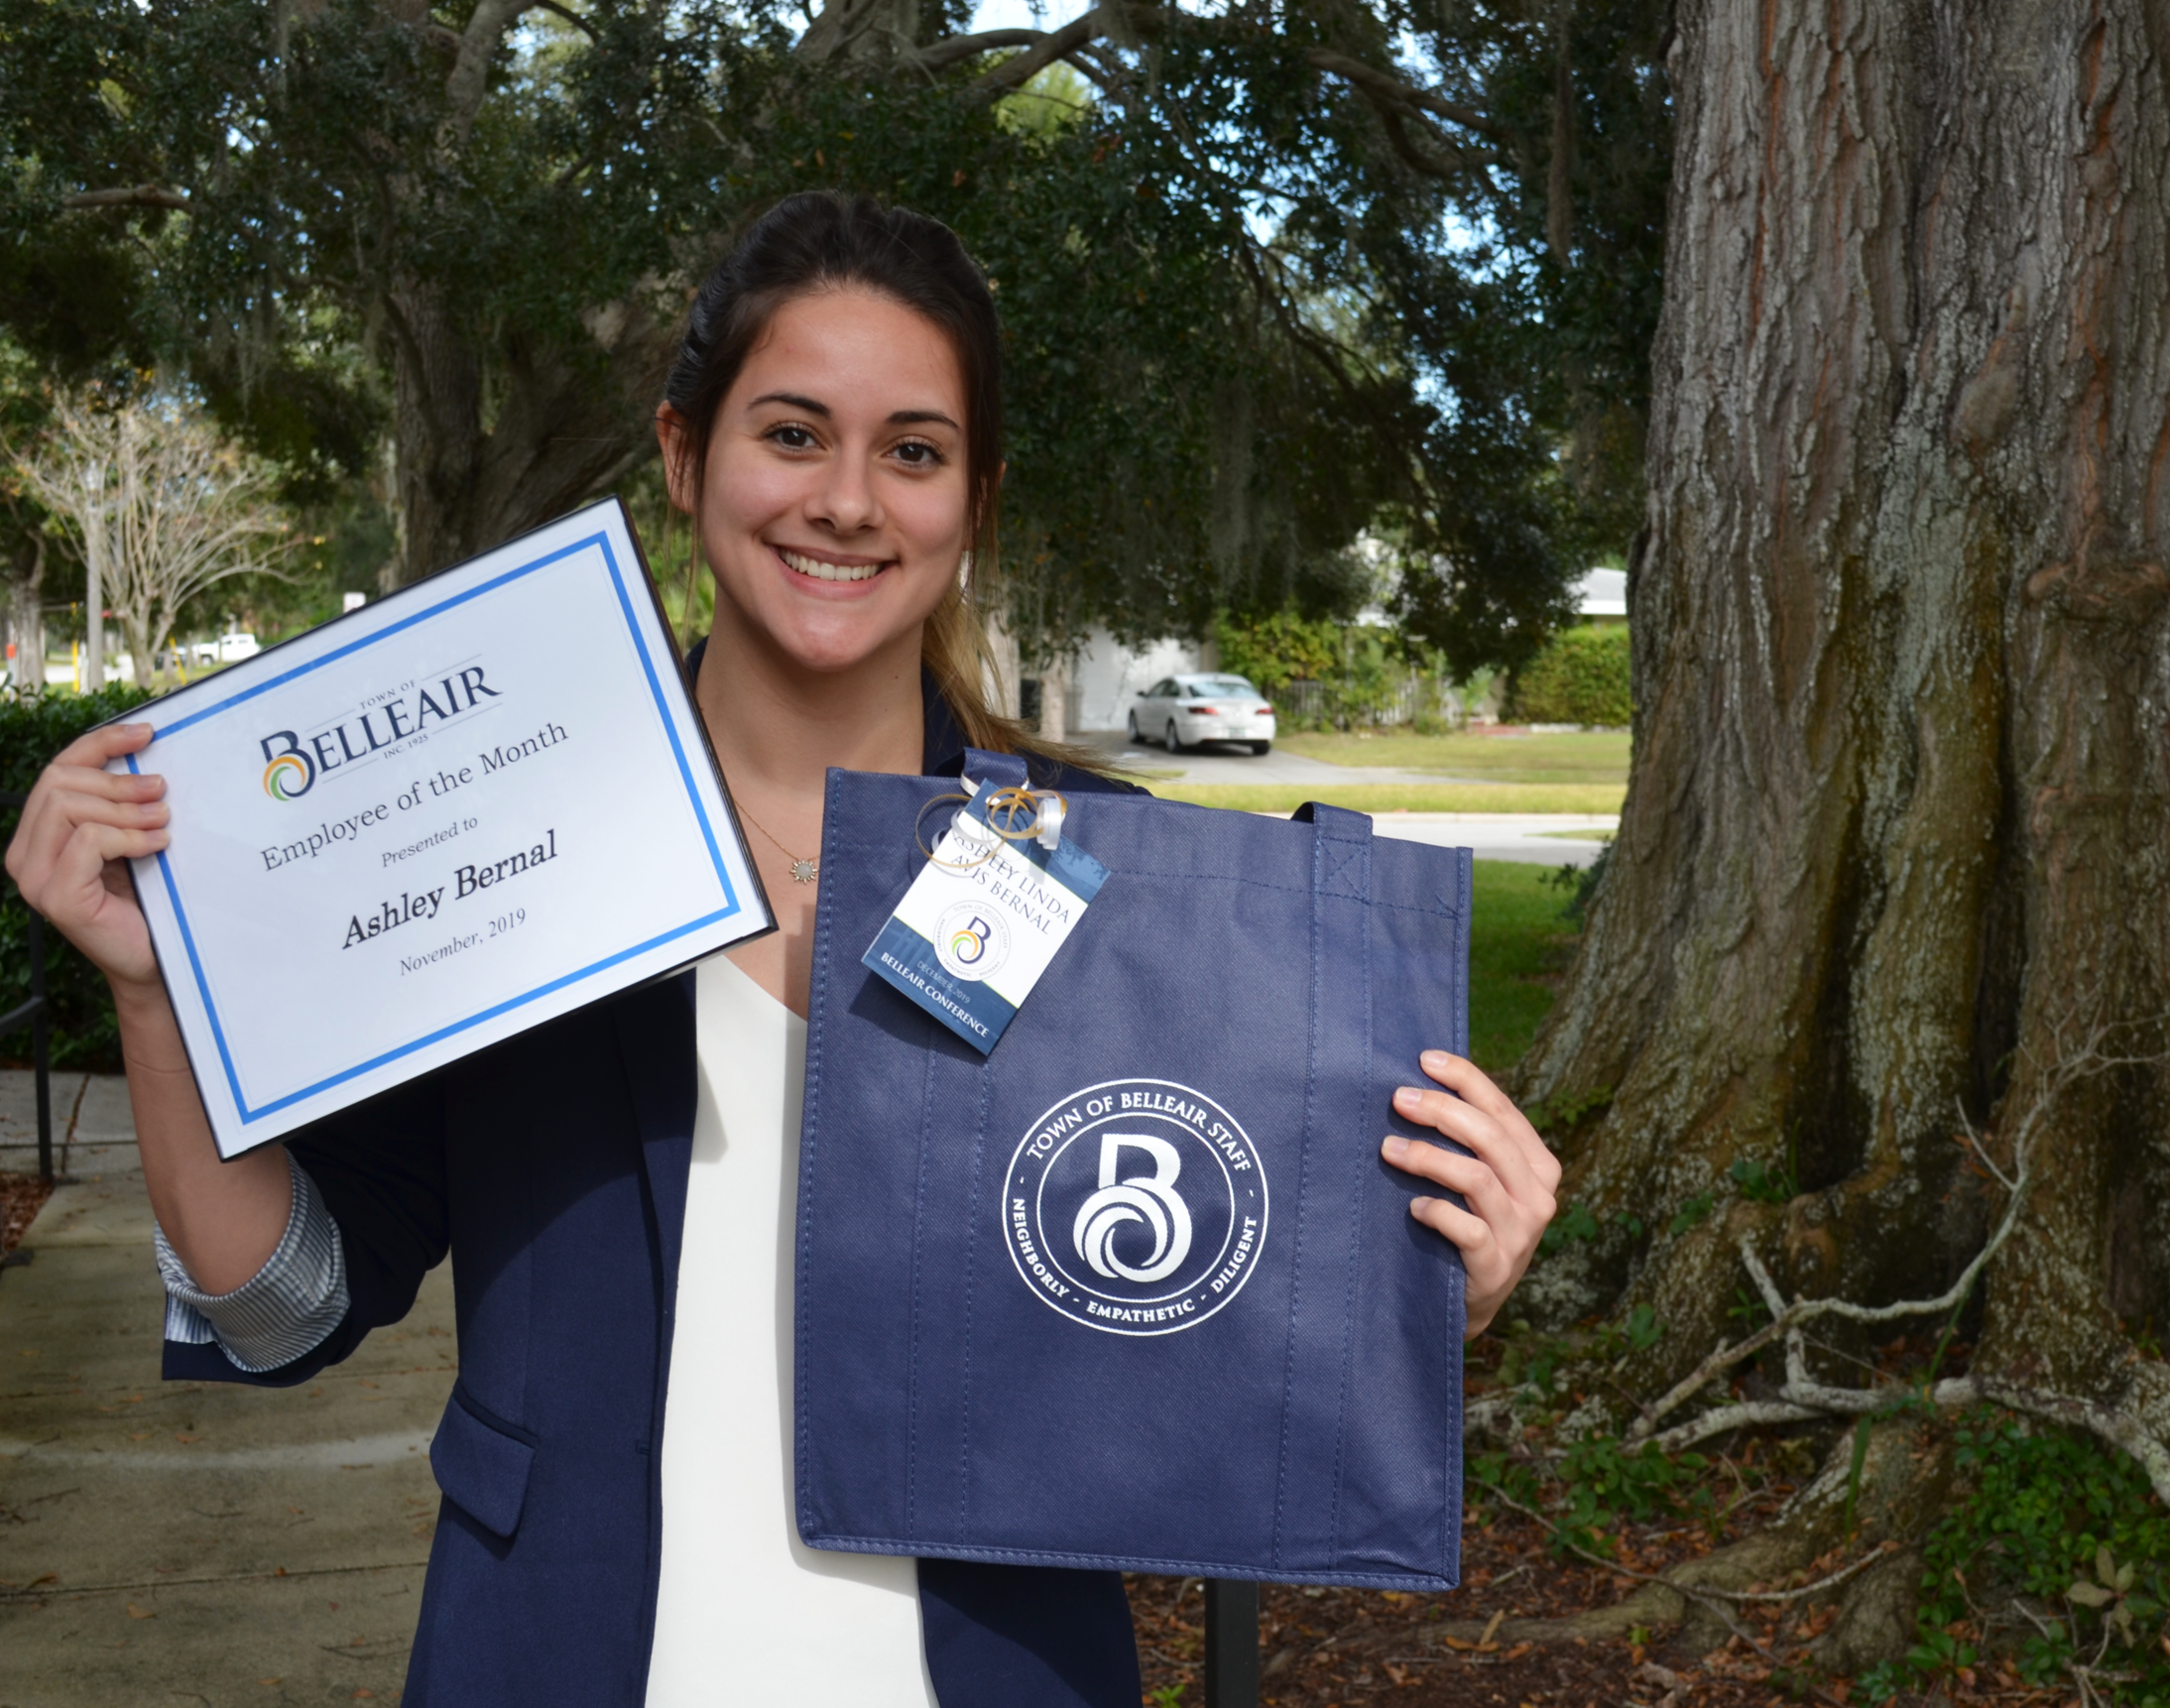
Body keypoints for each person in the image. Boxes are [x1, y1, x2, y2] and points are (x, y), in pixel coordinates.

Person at [2, 193, 1561, 1706]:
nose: (847, 500)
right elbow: (284, 1310)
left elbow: (1219, 1299)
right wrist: (154, 994)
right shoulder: (510, 846)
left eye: (916, 451)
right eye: (794, 430)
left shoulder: (1101, 870)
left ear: (974, 500)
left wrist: (1424, 1279)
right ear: (686, 455)